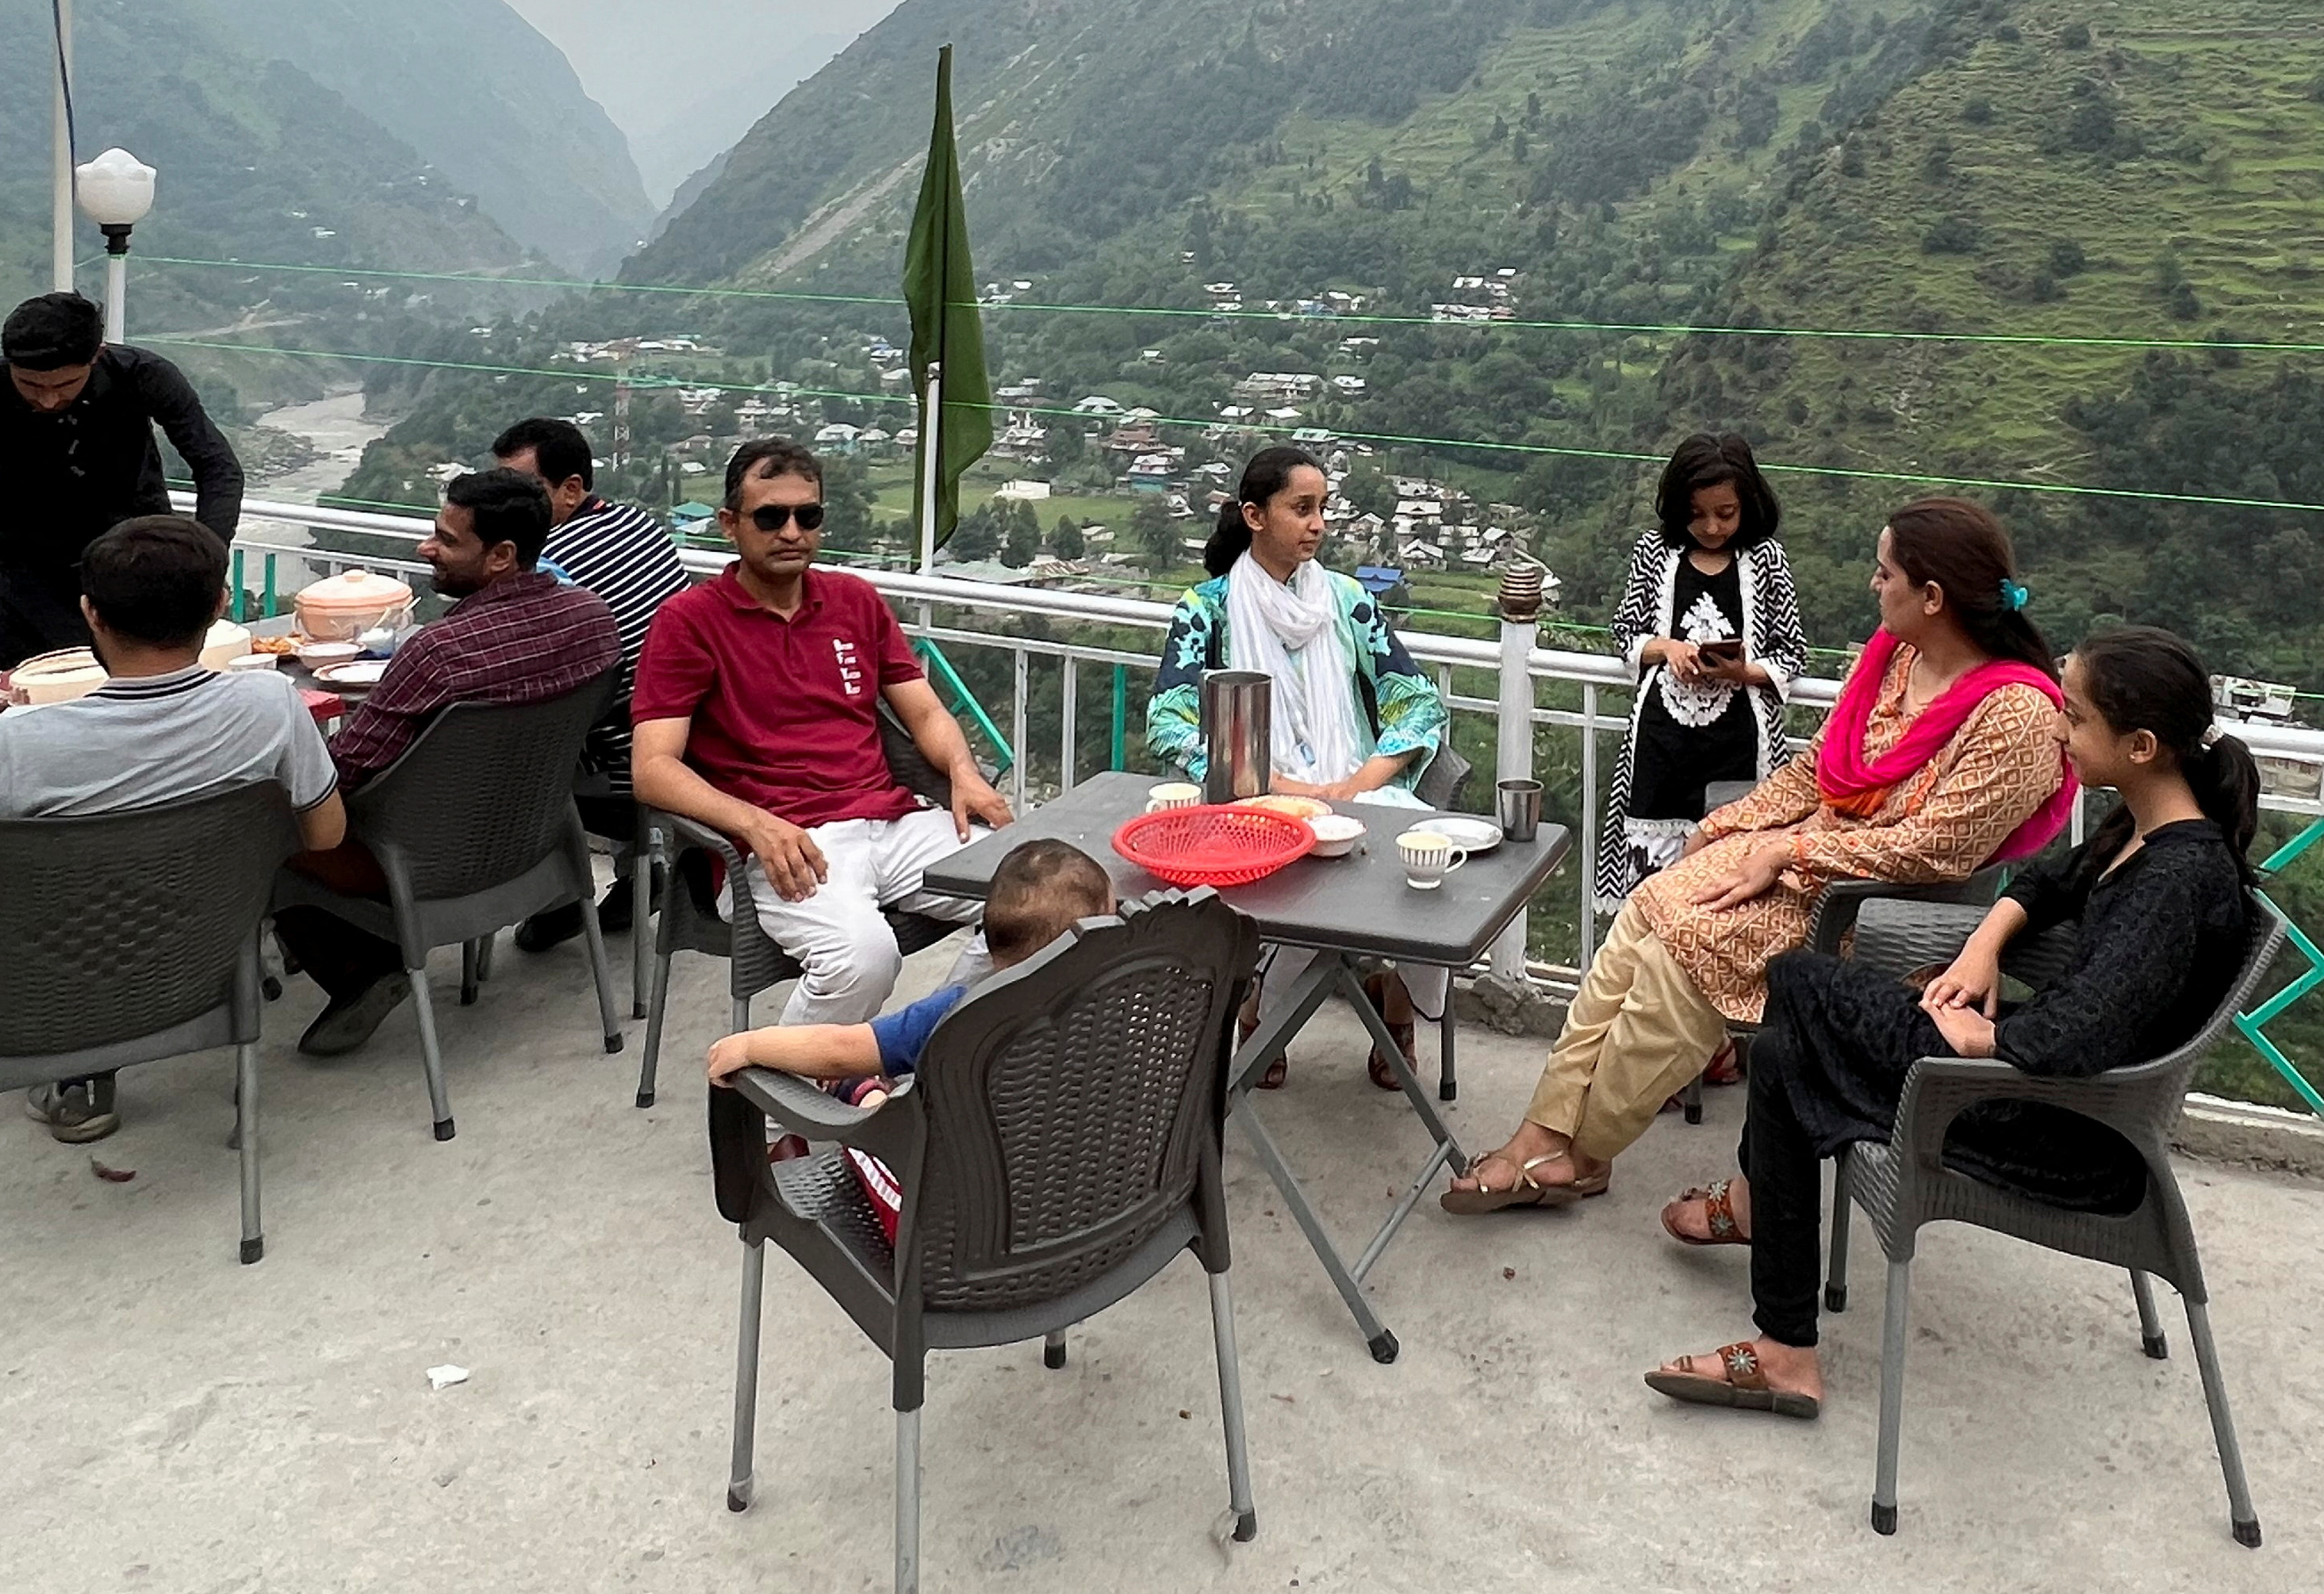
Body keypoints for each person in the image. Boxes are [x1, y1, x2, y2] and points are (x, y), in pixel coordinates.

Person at [1642, 626, 2261, 1416]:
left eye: (2074, 718)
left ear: (2140, 746)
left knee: (1795, 983)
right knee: (1782, 1058)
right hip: (2027, 1086)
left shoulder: (2175, 881)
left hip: (2051, 1123)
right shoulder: (2144, 831)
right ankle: (1785, 1345)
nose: (2058, 731)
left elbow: (2081, 1032)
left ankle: (1765, 1243)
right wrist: (1984, 943)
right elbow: (2047, 882)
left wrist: (1993, 1037)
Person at [1444, 496, 2073, 1213]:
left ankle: (1584, 1155)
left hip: (1872, 908)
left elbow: (1936, 850)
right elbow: (1816, 771)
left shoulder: (2016, 714)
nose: (1873, 584)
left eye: (1885, 572)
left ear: (1932, 597)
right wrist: (1727, 826)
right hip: (1810, 862)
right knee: (1644, 915)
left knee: (1678, 958)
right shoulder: (1896, 660)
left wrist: (1788, 853)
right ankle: (1542, 1132)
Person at [0, 515, 345, 1141]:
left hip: (42, 990)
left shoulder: (14, 745)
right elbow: (325, 835)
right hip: (205, 964)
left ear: (91, 613)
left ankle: (77, 1077)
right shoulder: (272, 705)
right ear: (219, 605)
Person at [629, 438, 1012, 1041]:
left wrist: (963, 773)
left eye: (807, 516)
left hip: (891, 822)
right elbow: (652, 768)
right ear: (730, 524)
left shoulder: (853, 601)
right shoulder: (689, 622)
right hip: (783, 845)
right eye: (770, 517)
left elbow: (924, 711)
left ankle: (934, 1049)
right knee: (864, 957)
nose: (792, 532)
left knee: (1045, 895)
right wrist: (755, 825)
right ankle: (775, 1096)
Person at [271, 468, 618, 1056]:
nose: (425, 548)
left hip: (418, 865)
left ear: (502, 555)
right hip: (536, 843)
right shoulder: (591, 619)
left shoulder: (438, 652)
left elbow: (342, 774)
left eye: (447, 540)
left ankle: (359, 965)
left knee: (270, 825)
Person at [1146, 443, 1453, 1090]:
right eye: (1302, 509)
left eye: (1323, 509)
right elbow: (1169, 720)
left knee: (1426, 873)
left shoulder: (1347, 600)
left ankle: (1396, 1009)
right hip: (1254, 798)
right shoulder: (1206, 609)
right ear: (1255, 516)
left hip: (1355, 789)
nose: (1319, 525)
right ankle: (1264, 1013)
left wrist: (1358, 785)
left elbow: (1418, 701)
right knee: (1297, 865)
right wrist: (1277, 784)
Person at [0, 292, 245, 670]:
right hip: (28, 566)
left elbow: (218, 468)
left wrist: (204, 562)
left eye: (66, 384)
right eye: (30, 385)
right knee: (23, 685)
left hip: (134, 559)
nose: (48, 399)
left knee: (147, 680)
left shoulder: (144, 374)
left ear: (97, 355)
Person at [489, 415, 690, 952]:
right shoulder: (643, 525)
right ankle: (638, 872)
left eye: (522, 488)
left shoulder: (542, 564)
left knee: (493, 760)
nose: (506, 503)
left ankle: (556, 901)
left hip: (619, 775)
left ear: (572, 489)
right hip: (685, 746)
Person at [704, 837, 1114, 1096]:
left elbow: (842, 1050)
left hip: (968, 1197)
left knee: (872, 1116)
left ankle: (866, 1094)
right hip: (1085, 1188)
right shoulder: (1122, 1005)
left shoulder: (954, 1014)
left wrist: (750, 1046)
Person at [1601, 431, 1809, 914]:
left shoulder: (1767, 560)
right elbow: (1624, 633)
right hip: (1661, 743)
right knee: (1653, 882)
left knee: (1730, 875)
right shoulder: (1654, 553)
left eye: (1725, 513)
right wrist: (1668, 648)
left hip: (1742, 744)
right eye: (1697, 514)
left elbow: (1792, 653)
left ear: (1748, 505)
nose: (1712, 527)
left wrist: (1742, 672)